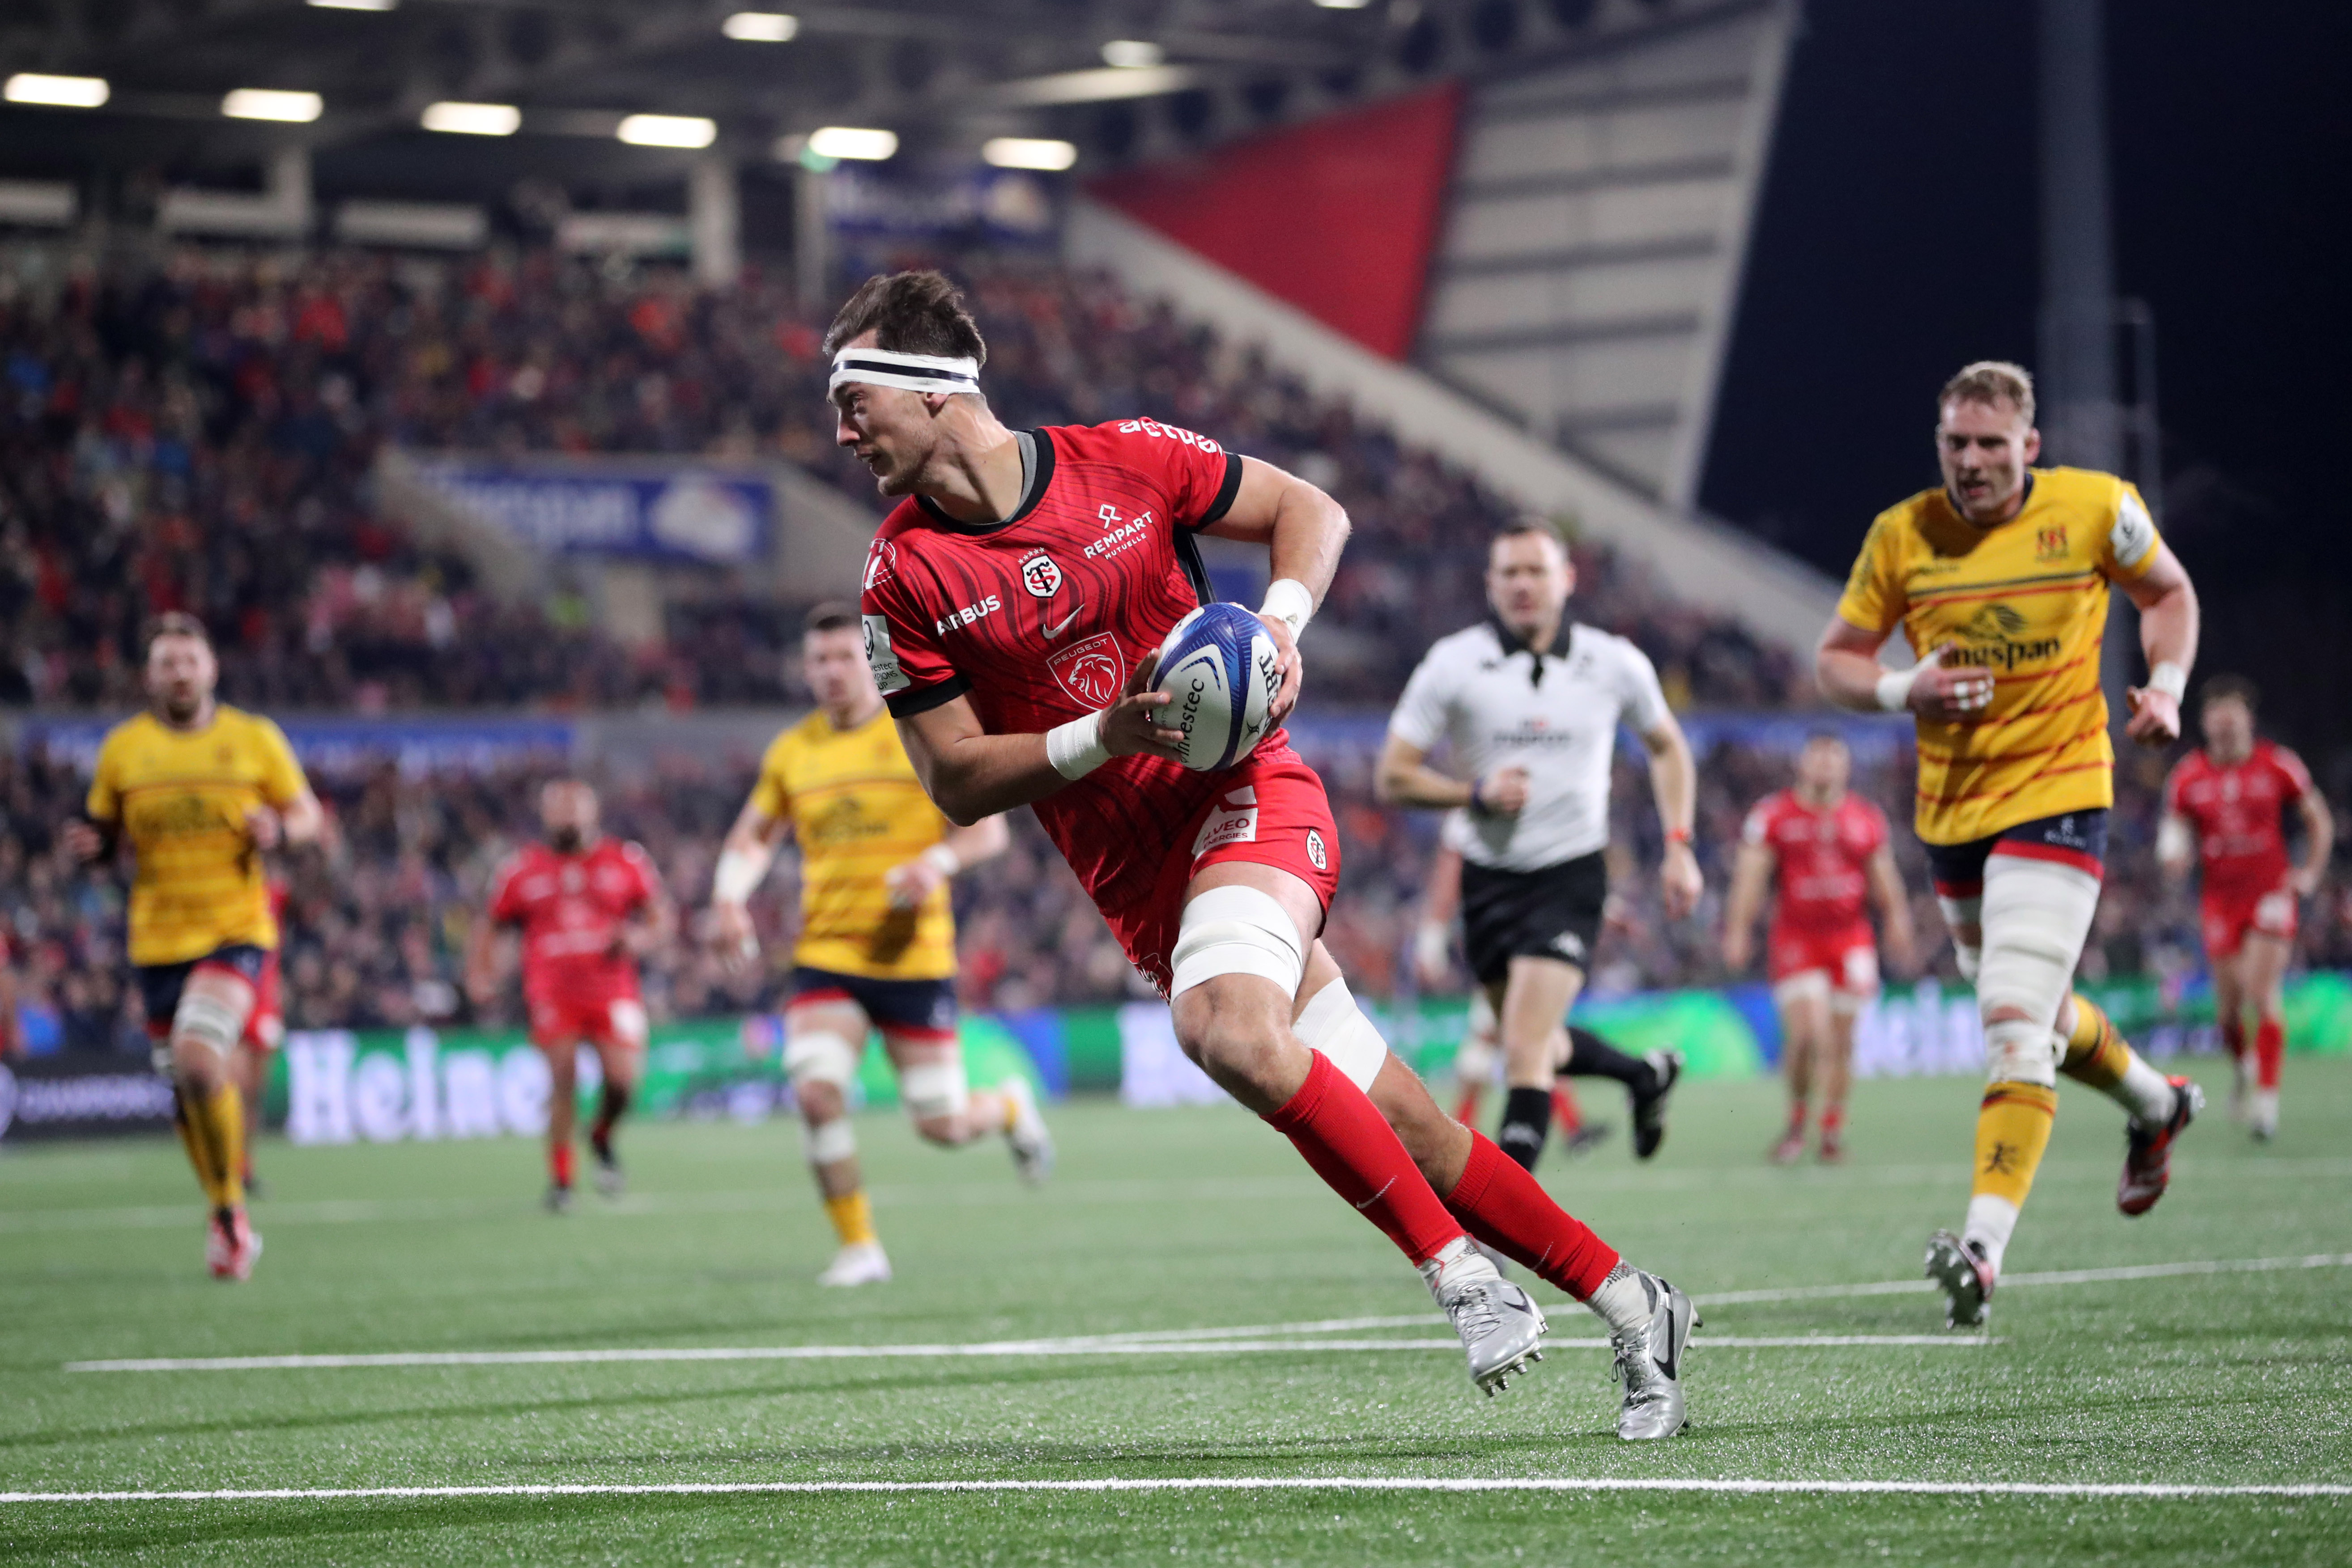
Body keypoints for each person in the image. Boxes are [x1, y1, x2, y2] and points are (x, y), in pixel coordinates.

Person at [832, 269, 1694, 1437]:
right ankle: (1636, 1302)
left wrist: (1277, 629)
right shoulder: (900, 579)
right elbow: (954, 779)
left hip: (1249, 792)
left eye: (856, 395)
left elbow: (1313, 513)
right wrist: (1109, 733)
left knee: (1225, 1029)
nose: (840, 426)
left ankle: (1463, 1281)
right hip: (1138, 878)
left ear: (937, 393)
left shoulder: (1127, 457)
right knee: (1416, 1127)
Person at [1815, 361, 2204, 1330]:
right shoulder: (1902, 534)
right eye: (1957, 443)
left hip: (2064, 786)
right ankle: (2158, 1105)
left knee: (2010, 1016)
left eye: (1993, 444)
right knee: (2038, 1013)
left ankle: (1982, 1253)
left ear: (2030, 446)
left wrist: (2168, 688)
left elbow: (2168, 593)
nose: (1975, 461)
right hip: (1954, 812)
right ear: (1939, 445)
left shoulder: (2096, 507)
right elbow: (1836, 660)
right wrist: (1909, 689)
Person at [710, 602, 1051, 1288]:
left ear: (868, 662)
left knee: (944, 1126)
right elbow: (753, 836)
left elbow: (987, 832)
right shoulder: (793, 751)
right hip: (828, 956)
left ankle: (1009, 1106)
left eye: (844, 657)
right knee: (814, 1091)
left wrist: (937, 864)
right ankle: (860, 1246)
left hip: (914, 960)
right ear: (803, 670)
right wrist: (728, 896)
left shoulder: (917, 737)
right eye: (819, 660)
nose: (832, 672)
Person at [1376, 519, 1699, 1172]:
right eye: (1510, 573)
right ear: (1489, 583)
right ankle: (1642, 1075)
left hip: (1571, 874)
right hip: (1488, 879)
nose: (1524, 584)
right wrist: (1472, 794)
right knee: (1538, 1043)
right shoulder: (1453, 662)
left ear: (1568, 579)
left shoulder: (1614, 663)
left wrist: (1679, 844)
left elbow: (1668, 746)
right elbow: (1392, 775)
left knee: (1521, 1049)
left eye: (1538, 571)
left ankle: (1503, 1220)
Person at [64, 613, 324, 1280]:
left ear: (211, 668)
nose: (179, 672)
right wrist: (89, 850)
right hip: (156, 938)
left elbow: (307, 815)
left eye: (189, 660)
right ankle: (227, 1209)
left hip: (236, 930)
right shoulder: (124, 750)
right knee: (185, 1084)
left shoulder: (254, 738)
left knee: (200, 1059)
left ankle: (232, 1200)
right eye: (166, 663)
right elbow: (101, 832)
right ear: (149, 677)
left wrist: (279, 829)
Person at [467, 780, 674, 1211]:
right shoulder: (522, 869)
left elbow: (660, 919)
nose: (567, 817)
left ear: (593, 812)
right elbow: (490, 924)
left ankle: (601, 1135)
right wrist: (481, 972)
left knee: (622, 1082)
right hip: (551, 992)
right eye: (558, 810)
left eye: (574, 809)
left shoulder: (625, 859)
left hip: (613, 990)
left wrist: (637, 938)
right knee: (563, 1078)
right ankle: (562, 1181)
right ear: (545, 816)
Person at [1722, 732, 1917, 1163]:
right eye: (1819, 757)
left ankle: (1831, 1128)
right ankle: (1795, 1124)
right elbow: (1750, 877)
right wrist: (1738, 929)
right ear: (1802, 764)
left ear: (1846, 767)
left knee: (1843, 1042)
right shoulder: (1774, 815)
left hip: (1851, 941)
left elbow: (1883, 877)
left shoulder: (1865, 818)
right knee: (1808, 1035)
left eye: (1835, 758)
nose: (1826, 765)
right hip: (1797, 940)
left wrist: (1898, 922)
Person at [2158, 676, 2332, 1139]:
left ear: (2247, 722)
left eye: (2233, 718)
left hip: (2270, 893)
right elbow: (2173, 828)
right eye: (2218, 719)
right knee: (2228, 1013)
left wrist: (2309, 873)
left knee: (2261, 991)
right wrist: (2173, 854)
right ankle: (2243, 1067)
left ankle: (2266, 1105)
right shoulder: (2189, 776)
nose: (2226, 728)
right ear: (2205, 724)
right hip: (2219, 899)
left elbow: (2319, 820)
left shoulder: (2277, 765)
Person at [1415, 811, 1607, 1152]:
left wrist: (1433, 939)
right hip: (1508, 949)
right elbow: (1448, 882)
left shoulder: (1479, 815)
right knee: (1517, 1043)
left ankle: (1463, 1133)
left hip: (1510, 946)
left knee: (1521, 1043)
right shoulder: (1475, 816)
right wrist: (1432, 939)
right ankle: (1458, 1134)